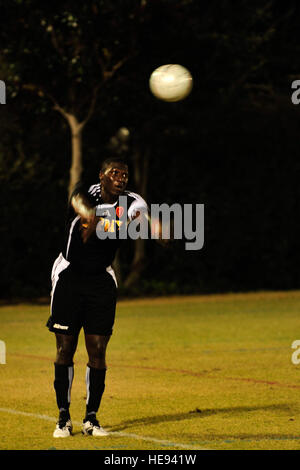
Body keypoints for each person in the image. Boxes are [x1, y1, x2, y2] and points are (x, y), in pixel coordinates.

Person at [46, 157, 149, 438]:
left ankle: (91, 418)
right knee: (65, 348)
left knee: (99, 350)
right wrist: (92, 217)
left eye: (125, 174)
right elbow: (78, 203)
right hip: (69, 275)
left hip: (102, 278)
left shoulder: (132, 200)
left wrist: (153, 227)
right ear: (102, 176)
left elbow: (138, 217)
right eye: (115, 173)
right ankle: (63, 417)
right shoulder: (85, 192)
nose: (121, 178)